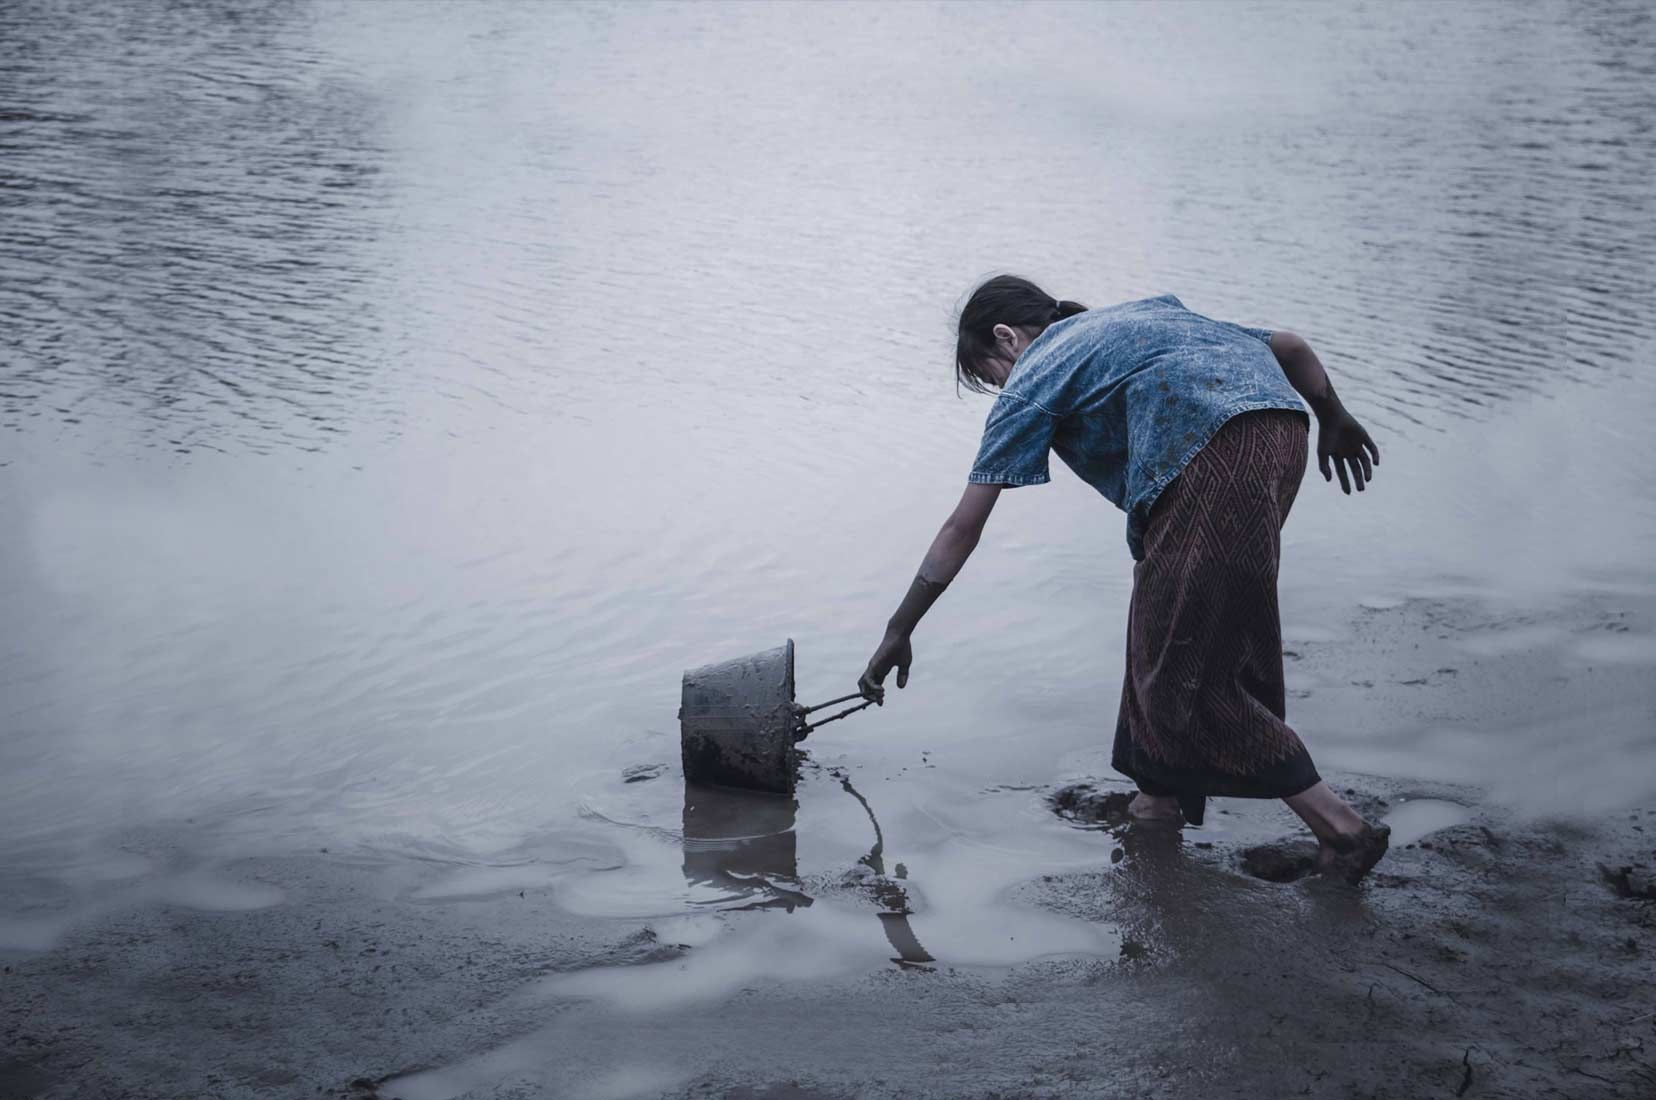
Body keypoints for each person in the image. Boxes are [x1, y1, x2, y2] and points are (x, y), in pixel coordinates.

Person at [857, 275, 1391, 884]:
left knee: (1185, 673)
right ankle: (1156, 803)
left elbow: (963, 527)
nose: (1001, 389)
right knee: (1165, 633)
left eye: (991, 375)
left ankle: (1341, 828)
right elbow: (1290, 346)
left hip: (1211, 460)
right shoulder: (1142, 319)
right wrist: (1336, 418)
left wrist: (900, 628)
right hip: (1279, 438)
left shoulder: (1038, 370)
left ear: (1006, 338)